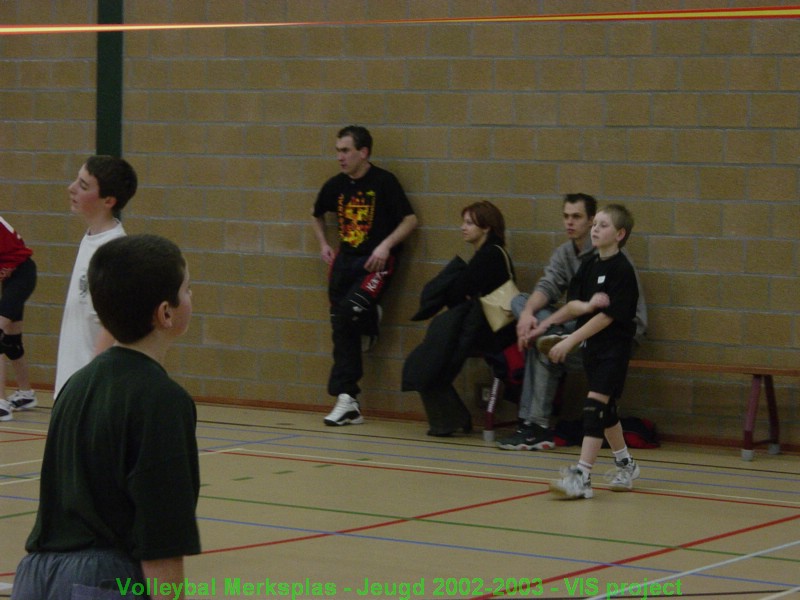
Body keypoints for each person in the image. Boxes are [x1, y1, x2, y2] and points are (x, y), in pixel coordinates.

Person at [12, 234, 200, 600]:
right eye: (188, 289)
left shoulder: (76, 386)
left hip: (36, 577)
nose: (193, 298)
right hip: (103, 579)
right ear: (166, 313)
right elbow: (160, 535)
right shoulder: (162, 400)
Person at [497, 193, 647, 451]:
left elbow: (606, 316)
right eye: (566, 216)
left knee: (545, 353)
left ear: (592, 221)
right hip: (578, 327)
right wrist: (531, 318)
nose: (569, 222)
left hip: (613, 338)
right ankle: (549, 339)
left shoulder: (616, 263)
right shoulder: (570, 255)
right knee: (522, 303)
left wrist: (565, 338)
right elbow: (555, 291)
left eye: (577, 217)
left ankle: (538, 428)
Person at [528, 204, 641, 499]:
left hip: (614, 350)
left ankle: (582, 476)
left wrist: (569, 341)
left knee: (593, 407)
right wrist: (547, 324)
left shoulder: (623, 270)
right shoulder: (589, 264)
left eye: (603, 225)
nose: (594, 229)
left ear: (619, 234)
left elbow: (607, 317)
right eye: (595, 224)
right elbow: (574, 305)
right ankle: (626, 465)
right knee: (607, 411)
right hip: (593, 349)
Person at [312, 125, 417, 426]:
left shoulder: (384, 182)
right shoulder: (335, 185)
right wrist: (323, 244)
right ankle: (348, 401)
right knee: (340, 323)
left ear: (364, 152)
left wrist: (385, 245)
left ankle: (367, 318)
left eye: (345, 151)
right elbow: (315, 212)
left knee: (348, 314)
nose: (340, 157)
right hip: (345, 263)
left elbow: (410, 220)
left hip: (376, 265)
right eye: (337, 151)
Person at [406, 201, 518, 436]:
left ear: (486, 227)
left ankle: (450, 418)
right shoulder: (489, 253)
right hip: (486, 328)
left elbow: (457, 291)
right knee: (430, 360)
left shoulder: (489, 254)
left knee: (429, 363)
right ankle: (452, 417)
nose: (462, 227)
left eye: (469, 223)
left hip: (493, 333)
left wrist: (459, 289)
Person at [54, 155, 137, 397]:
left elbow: (113, 322)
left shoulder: (114, 250)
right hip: (71, 383)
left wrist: (90, 380)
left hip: (90, 388)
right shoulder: (91, 238)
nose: (72, 188)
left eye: (83, 185)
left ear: (108, 200)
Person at [0, 217, 38, 421]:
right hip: (10, 278)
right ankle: (26, 394)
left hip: (22, 274)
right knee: (11, 342)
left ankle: (1, 403)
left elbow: (14, 256)